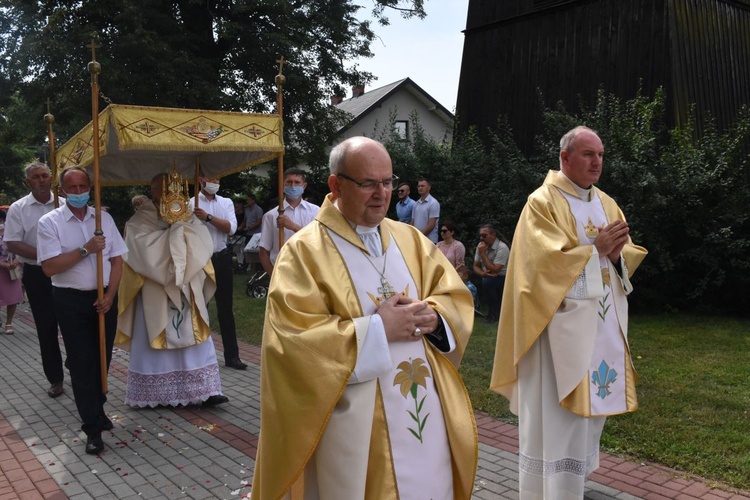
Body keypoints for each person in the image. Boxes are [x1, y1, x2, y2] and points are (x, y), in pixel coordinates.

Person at [251, 136, 477, 499]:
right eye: (368, 183)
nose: (381, 193)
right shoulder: (304, 252)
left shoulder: (411, 240)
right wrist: (377, 329)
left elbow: (452, 296)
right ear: (336, 185)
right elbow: (292, 343)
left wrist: (436, 319)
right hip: (355, 427)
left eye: (387, 182)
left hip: (424, 415)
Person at [490, 126, 648, 498]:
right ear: (564, 158)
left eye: (601, 155)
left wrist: (613, 255)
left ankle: (573, 489)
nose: (597, 163)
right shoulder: (542, 202)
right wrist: (595, 252)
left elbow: (622, 259)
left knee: (584, 430)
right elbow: (540, 268)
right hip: (556, 336)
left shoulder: (606, 203)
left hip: (600, 333)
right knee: (557, 425)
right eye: (588, 154)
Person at [116, 173, 229, 408]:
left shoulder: (189, 216)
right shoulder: (140, 220)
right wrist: (173, 238)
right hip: (154, 291)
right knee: (154, 337)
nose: (167, 192)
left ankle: (205, 391)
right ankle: (154, 394)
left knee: (196, 340)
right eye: (161, 188)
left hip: (187, 287)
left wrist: (180, 229)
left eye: (172, 187)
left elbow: (202, 243)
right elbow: (140, 251)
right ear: (152, 190)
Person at [37, 166, 128, 455]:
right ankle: (92, 428)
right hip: (70, 300)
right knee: (83, 363)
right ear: (61, 190)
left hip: (103, 299)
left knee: (102, 358)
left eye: (83, 186)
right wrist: (86, 249)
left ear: (90, 187)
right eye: (72, 188)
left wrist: (111, 295)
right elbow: (50, 267)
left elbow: (117, 260)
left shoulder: (104, 218)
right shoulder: (50, 222)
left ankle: (97, 409)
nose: (78, 192)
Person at [4, 162, 66, 398]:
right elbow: (13, 242)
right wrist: (47, 256)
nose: (41, 180)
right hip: (38, 274)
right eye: (36, 177)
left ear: (51, 178)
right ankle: (55, 378)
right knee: (46, 326)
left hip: (67, 270)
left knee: (74, 320)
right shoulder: (18, 208)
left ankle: (77, 365)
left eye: (45, 175)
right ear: (27, 182)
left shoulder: (64, 202)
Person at [189, 176, 247, 370]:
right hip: (200, 260)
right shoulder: (191, 203)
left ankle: (232, 356)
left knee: (226, 308)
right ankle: (202, 357)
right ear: (200, 180)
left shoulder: (226, 202)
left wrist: (208, 218)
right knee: (200, 307)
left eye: (217, 178)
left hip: (221, 257)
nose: (214, 181)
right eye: (209, 178)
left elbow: (231, 229)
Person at [258, 167, 319, 276]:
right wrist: (273, 277)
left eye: (297, 183)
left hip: (308, 273)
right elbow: (264, 251)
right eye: (289, 182)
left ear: (304, 186)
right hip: (281, 272)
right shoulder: (271, 216)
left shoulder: (315, 212)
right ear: (283, 185)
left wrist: (293, 226)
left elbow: (318, 242)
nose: (293, 186)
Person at [473, 224, 510, 323]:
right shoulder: (481, 246)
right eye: (480, 236)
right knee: (487, 281)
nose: (481, 238)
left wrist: (483, 254)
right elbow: (475, 266)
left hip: (503, 277)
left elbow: (495, 270)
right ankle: (492, 313)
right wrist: (482, 274)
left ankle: (495, 314)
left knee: (489, 283)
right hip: (488, 276)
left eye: (484, 236)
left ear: (493, 235)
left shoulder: (502, 248)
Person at [0, 210, 24, 334]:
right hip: (1, 268)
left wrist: (16, 260)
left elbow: (20, 248)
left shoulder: (11, 233)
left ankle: (9, 322)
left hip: (12, 269)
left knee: (12, 297)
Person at [410, 177, 440, 243]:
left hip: (429, 241)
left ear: (429, 188)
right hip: (417, 240)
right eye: (419, 186)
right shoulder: (416, 204)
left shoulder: (433, 203)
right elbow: (412, 222)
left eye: (422, 186)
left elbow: (431, 225)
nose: (420, 188)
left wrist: (420, 236)